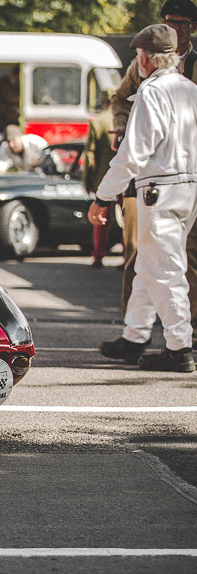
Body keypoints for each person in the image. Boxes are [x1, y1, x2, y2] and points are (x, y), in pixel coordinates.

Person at [92, 24, 197, 373]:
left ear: (146, 59)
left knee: (163, 269)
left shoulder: (151, 92)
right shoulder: (189, 89)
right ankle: (134, 335)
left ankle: (179, 348)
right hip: (187, 188)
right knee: (150, 265)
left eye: (138, 56)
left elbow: (133, 154)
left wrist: (103, 196)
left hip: (159, 190)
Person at [111, 0, 197, 322]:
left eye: (182, 23)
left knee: (188, 254)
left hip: (185, 176)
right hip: (144, 174)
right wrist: (121, 126)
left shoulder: (193, 68)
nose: (175, 28)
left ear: (192, 28)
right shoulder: (142, 64)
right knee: (137, 249)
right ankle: (133, 326)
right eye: (170, 21)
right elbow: (120, 98)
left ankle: (186, 327)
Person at [83, 88, 118, 268]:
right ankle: (127, 257)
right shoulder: (126, 119)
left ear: (104, 102)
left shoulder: (98, 122)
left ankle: (98, 255)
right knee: (128, 220)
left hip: (103, 178)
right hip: (127, 178)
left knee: (100, 219)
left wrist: (87, 180)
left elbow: (89, 155)